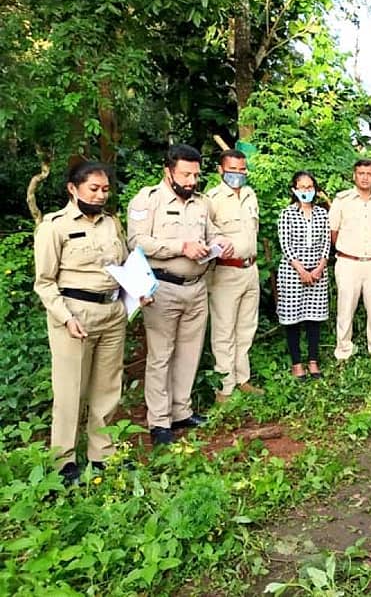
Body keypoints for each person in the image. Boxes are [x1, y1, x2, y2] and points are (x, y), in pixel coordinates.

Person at [127, 144, 234, 446]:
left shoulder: (201, 203)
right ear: (168, 171)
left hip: (196, 287)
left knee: (190, 353)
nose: (191, 181)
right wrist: (181, 247)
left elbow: (211, 232)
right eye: (185, 174)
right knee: (161, 355)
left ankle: (181, 411)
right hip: (163, 288)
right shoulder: (148, 200)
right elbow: (136, 241)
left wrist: (221, 242)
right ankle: (159, 421)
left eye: (196, 175)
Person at [34, 161, 130, 483]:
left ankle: (102, 455)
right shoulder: (54, 226)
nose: (101, 195)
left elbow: (126, 264)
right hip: (75, 315)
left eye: (105, 189)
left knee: (107, 387)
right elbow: (44, 283)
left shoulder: (111, 224)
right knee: (70, 390)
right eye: (94, 189)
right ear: (72, 189)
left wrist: (139, 290)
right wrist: (65, 318)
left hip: (112, 313)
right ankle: (64, 463)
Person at [206, 149, 264, 403]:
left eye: (241, 169)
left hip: (250, 269)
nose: (237, 175)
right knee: (224, 330)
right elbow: (205, 235)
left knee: (246, 328)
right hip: (225, 272)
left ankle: (243, 379)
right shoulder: (212, 199)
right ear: (221, 170)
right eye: (232, 170)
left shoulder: (250, 195)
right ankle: (225, 388)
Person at [329, 159, 371, 360]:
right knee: (345, 308)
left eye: (369, 173)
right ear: (354, 175)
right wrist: (350, 248)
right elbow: (333, 232)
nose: (365, 177)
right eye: (361, 173)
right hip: (348, 262)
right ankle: (343, 351)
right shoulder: (342, 200)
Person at [277, 171, 331, 380]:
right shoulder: (287, 214)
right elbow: (286, 245)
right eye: (302, 187)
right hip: (293, 273)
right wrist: (301, 270)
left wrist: (319, 268)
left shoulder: (322, 214)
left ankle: (313, 361)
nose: (306, 191)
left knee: (313, 319)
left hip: (318, 273)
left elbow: (327, 243)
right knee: (293, 319)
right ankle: (297, 363)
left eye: (310, 187)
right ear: (294, 190)